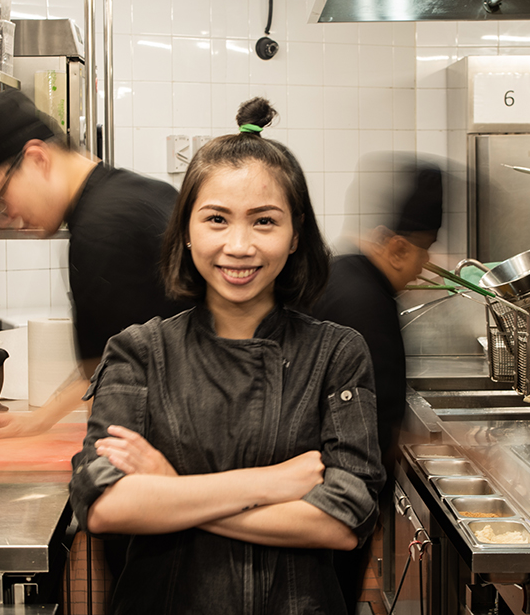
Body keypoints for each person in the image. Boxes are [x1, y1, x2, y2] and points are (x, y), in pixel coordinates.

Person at [68, 98, 386, 614]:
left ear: (295, 235)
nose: (239, 246)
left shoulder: (336, 353)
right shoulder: (139, 351)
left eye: (264, 222)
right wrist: (272, 483)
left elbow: (343, 519)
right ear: (186, 231)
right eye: (217, 219)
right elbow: (103, 505)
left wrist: (170, 491)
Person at [0, 90, 187, 438]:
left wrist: (94, 459)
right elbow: (106, 358)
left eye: (1, 197)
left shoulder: (102, 231)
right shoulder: (132, 192)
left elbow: (115, 383)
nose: (6, 216)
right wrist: (37, 421)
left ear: (37, 159)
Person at [312, 155, 443, 612]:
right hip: (335, 503)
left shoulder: (346, 272)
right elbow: (375, 424)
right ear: (397, 247)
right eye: (425, 250)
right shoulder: (367, 304)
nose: (427, 264)